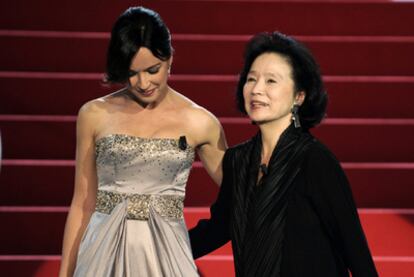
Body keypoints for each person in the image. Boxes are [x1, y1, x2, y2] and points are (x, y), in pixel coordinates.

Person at [189, 32, 378, 277]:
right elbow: (217, 230)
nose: (256, 89)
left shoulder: (315, 161)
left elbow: (354, 248)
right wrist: (152, 247)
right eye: (251, 79)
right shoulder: (237, 160)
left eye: (271, 81)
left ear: (299, 96)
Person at [58, 6, 227, 277]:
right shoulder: (93, 114)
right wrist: (65, 274)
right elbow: (83, 203)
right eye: (132, 72)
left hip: (168, 258)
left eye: (152, 70)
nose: (143, 82)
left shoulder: (200, 122)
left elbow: (238, 193)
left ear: (170, 58)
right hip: (102, 257)